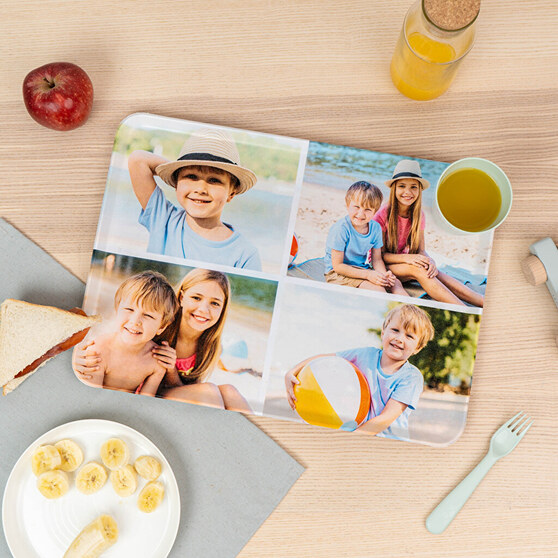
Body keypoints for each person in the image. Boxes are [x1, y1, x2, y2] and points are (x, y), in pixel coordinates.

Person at [285, 304, 434, 441]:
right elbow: (327, 358)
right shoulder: (365, 355)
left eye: (409, 336)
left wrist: (351, 439)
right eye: (395, 330)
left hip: (389, 443)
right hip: (357, 435)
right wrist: (293, 371)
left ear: (417, 348)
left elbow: (385, 418)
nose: (399, 338)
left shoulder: (411, 377)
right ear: (383, 332)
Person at [128, 127, 261, 270]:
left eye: (214, 180)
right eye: (191, 177)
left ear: (231, 193)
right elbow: (138, 159)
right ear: (177, 183)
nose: (200, 189)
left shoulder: (245, 254)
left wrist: (185, 174)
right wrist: (176, 173)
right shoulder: (164, 218)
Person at [374, 160, 484, 307]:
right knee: (419, 269)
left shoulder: (419, 215)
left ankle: (480, 300)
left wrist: (430, 261)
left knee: (434, 271)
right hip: (382, 266)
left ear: (419, 190)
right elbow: (380, 256)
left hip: (402, 262)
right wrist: (409, 258)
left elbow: (421, 250)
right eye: (402, 186)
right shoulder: (382, 215)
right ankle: (461, 307)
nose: (408, 192)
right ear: (394, 188)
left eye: (413, 187)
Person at [157, 268, 253, 413]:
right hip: (155, 394)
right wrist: (170, 371)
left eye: (214, 303)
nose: (203, 309)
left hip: (180, 395)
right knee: (209, 390)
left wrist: (172, 371)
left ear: (222, 309)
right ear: (182, 298)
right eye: (196, 298)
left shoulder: (211, 346)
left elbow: (192, 387)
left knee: (230, 392)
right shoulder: (162, 329)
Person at [72, 271, 179, 396]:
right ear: (117, 311)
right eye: (129, 309)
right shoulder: (98, 350)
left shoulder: (156, 362)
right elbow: (91, 395)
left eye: (148, 315)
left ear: (161, 327)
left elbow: (144, 401)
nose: (135, 321)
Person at [323, 181, 406, 294]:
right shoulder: (341, 229)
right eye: (356, 207)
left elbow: (377, 259)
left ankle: (406, 305)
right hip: (337, 272)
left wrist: (384, 275)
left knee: (395, 283)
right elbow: (338, 266)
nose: (361, 214)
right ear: (348, 205)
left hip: (362, 268)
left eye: (368, 210)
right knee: (378, 290)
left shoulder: (375, 228)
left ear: (375, 212)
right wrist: (368, 275)